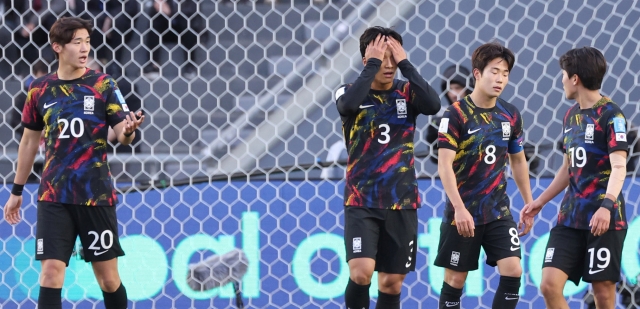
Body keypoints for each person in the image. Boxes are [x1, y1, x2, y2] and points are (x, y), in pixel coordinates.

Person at [2, 17, 145, 309]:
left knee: (108, 279)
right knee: (51, 273)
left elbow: (122, 134)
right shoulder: (39, 90)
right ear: (57, 47)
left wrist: (129, 132)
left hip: (95, 193)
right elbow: (29, 142)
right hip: (54, 195)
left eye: (87, 42)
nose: (84, 48)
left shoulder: (103, 84)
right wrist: (16, 191)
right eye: (77, 42)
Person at [335, 26, 440, 309]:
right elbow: (347, 106)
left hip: (401, 200)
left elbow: (433, 105)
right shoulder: (348, 92)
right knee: (361, 272)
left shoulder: (408, 92)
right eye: (383, 58)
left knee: (391, 282)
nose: (389, 65)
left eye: (394, 58)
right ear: (367, 59)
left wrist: (406, 63)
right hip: (362, 200)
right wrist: (372, 64)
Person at [521, 47, 629, 309]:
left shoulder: (611, 115)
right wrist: (540, 202)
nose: (561, 80)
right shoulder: (570, 116)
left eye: (563, 74)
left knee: (603, 293)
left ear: (575, 78)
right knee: (549, 284)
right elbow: (569, 169)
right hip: (571, 217)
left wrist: (606, 206)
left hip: (604, 217)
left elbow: (619, 167)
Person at [434, 41, 533, 309]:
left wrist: (529, 202)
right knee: (455, 279)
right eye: (494, 71)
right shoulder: (454, 115)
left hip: (498, 210)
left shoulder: (510, 114)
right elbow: (444, 166)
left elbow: (518, 161)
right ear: (477, 74)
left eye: (505, 73)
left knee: (513, 270)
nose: (500, 79)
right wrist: (459, 208)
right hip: (462, 212)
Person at [142, 0, 205, 80]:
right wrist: (158, 5)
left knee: (188, 26)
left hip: (184, 31)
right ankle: (153, 65)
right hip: (165, 31)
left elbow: (192, 12)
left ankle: (190, 66)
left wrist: (170, 12)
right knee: (155, 24)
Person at [425, 64, 474, 164]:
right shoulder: (440, 117)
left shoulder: (481, 114)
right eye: (450, 89)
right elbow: (435, 158)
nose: (453, 94)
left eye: (458, 88)